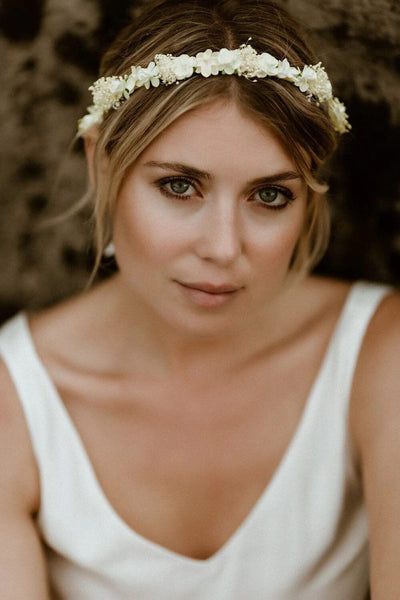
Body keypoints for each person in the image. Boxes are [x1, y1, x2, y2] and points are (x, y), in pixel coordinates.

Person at [0, 0, 398, 598]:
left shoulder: (379, 356)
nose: (222, 247)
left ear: (310, 200)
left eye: (269, 196)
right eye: (179, 186)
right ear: (100, 164)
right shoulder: (17, 402)